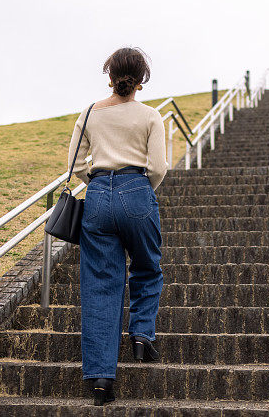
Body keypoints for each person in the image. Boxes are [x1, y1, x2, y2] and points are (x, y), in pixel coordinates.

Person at [66, 46, 168, 406]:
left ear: (109, 77)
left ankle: (100, 382)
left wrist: (97, 184)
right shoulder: (150, 116)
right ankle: (142, 335)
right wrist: (138, 192)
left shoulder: (90, 112)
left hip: (96, 197)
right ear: (141, 81)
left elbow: (75, 164)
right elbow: (158, 167)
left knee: (100, 285)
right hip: (137, 189)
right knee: (147, 267)